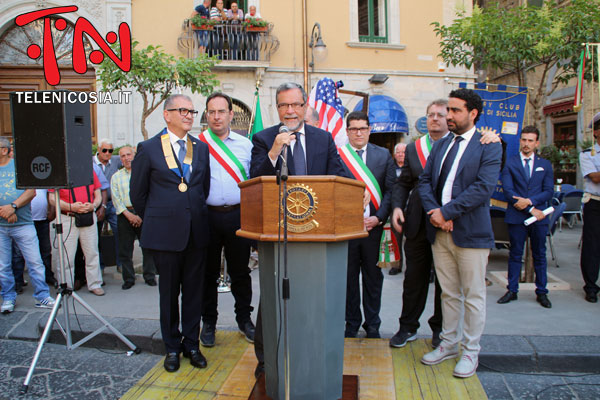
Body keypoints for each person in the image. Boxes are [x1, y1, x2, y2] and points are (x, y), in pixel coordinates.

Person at [250, 82, 345, 378]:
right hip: (277, 232)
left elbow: (338, 176)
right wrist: (276, 151)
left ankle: (309, 351)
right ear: (276, 108)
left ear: (305, 106)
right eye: (283, 105)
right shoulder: (264, 138)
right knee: (273, 295)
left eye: (295, 105)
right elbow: (255, 180)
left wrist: (358, 193)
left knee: (310, 295)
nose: (290, 111)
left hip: (315, 231)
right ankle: (266, 359)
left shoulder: (323, 138)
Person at [417, 88, 502, 378]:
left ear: (473, 113)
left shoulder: (489, 145)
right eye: (447, 110)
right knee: (448, 294)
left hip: (471, 234)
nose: (448, 116)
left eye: (454, 111)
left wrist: (448, 212)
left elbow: (483, 187)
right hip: (440, 231)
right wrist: (436, 214)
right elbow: (425, 181)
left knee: (473, 296)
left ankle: (470, 352)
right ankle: (448, 343)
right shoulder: (441, 145)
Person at [130, 94, 211, 373]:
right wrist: (161, 217)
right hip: (165, 234)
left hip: (196, 232)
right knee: (168, 295)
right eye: (182, 110)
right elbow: (138, 194)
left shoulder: (200, 148)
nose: (189, 115)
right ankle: (172, 348)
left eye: (191, 111)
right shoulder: (149, 148)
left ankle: (191, 345)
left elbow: (204, 189)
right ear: (167, 114)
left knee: (193, 294)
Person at [198, 92, 255, 347]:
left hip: (237, 215)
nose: (217, 116)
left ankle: (245, 320)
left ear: (231, 114)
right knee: (207, 274)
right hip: (206, 217)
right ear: (207, 115)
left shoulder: (246, 146)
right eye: (212, 112)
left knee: (240, 273)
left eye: (222, 111)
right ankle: (209, 323)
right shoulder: (197, 144)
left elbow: (255, 183)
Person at [339, 111, 395, 339]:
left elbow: (392, 190)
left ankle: (372, 324)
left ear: (370, 130)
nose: (359, 133)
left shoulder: (384, 155)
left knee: (373, 279)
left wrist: (379, 217)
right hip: (348, 230)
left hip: (374, 229)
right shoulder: (338, 156)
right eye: (354, 129)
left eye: (363, 128)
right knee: (349, 279)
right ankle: (351, 323)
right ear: (347, 131)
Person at [497, 125, 553, 308]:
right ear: (520, 141)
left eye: (530, 141)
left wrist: (529, 202)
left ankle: (542, 292)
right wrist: (530, 209)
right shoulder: (510, 163)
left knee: (540, 255)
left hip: (539, 218)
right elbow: (508, 191)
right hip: (517, 217)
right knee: (515, 254)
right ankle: (512, 290)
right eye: (524, 140)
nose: (526, 144)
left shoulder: (545, 165)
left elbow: (548, 192)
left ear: (536, 143)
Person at [0, 138, 56, 313]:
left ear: (4, 150)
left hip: (23, 224)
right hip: (2, 225)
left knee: (35, 261)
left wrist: (13, 207)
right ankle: (8, 297)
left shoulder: (20, 167)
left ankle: (42, 296)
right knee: (3, 266)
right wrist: (4, 211)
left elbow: (31, 191)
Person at [49, 171, 105, 296]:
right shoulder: (59, 172)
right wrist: (70, 207)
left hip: (88, 216)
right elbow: (52, 198)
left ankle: (95, 283)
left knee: (92, 253)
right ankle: (66, 285)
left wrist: (93, 206)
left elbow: (98, 194)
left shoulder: (89, 171)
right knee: (66, 255)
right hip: (67, 217)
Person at [111, 146, 157, 290]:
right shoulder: (116, 177)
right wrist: (129, 215)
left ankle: (149, 276)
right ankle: (128, 278)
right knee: (125, 250)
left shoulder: (145, 174)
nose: (126, 158)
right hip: (125, 215)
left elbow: (151, 195)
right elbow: (116, 199)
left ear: (134, 155)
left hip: (143, 215)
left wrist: (141, 214)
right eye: (123, 156)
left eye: (129, 155)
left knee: (148, 248)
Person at [579, 114, 600, 303]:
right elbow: (595, 177)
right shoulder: (588, 153)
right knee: (592, 246)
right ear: (596, 132)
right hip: (595, 203)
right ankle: (591, 286)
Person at [93, 139, 122, 270]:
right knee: (95, 237)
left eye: (110, 150)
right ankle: (100, 267)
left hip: (113, 203)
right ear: (98, 150)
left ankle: (121, 265)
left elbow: (131, 156)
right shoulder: (91, 163)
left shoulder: (116, 161)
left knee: (119, 233)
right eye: (104, 150)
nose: (107, 153)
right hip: (97, 204)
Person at [389, 142, 407, 276]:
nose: (401, 155)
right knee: (395, 239)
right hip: (395, 208)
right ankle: (396, 265)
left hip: (411, 209)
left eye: (404, 152)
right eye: (398, 152)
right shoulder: (390, 168)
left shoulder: (411, 168)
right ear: (395, 155)